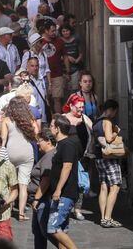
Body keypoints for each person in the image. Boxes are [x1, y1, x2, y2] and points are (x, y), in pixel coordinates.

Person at [0, 96, 36, 221]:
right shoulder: (29, 119)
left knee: (11, 184)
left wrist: (1, 151)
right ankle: (21, 214)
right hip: (26, 151)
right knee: (23, 185)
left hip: (11, 152)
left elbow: (3, 139)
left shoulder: (6, 120)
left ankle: (8, 210)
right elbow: (36, 133)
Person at [47, 114, 79, 249]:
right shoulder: (60, 144)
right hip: (60, 194)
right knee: (62, 229)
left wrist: (58, 189)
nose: (49, 128)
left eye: (51, 126)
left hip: (65, 193)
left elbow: (67, 166)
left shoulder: (67, 144)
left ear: (58, 128)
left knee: (53, 228)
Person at [93, 99, 123, 228]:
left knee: (104, 186)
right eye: (115, 111)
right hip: (109, 157)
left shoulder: (96, 121)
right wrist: (116, 131)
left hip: (98, 157)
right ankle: (108, 218)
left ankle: (103, 217)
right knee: (115, 187)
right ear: (111, 110)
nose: (115, 114)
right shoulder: (107, 121)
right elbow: (109, 138)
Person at [62, 93, 93, 220]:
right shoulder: (63, 119)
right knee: (66, 182)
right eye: (78, 107)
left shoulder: (85, 119)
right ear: (70, 106)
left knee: (81, 184)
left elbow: (93, 130)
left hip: (82, 156)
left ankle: (78, 209)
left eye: (82, 107)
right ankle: (64, 207)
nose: (81, 109)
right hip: (66, 157)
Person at [30, 128, 57, 249]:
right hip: (40, 199)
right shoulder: (46, 155)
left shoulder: (49, 157)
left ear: (48, 142)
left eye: (39, 140)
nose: (37, 143)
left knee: (48, 232)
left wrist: (36, 198)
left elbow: (45, 180)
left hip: (43, 200)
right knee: (38, 232)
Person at [41, 20, 70, 113]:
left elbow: (65, 56)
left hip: (57, 74)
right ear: (46, 31)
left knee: (57, 99)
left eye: (55, 31)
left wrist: (68, 71)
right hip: (43, 76)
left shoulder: (59, 41)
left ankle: (58, 119)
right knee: (46, 99)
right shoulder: (40, 42)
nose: (55, 33)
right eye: (52, 31)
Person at [60, 24, 83, 95]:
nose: (65, 33)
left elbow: (81, 53)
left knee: (75, 90)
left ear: (70, 31)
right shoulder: (59, 41)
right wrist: (67, 58)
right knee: (64, 91)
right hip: (63, 70)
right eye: (63, 31)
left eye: (67, 31)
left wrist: (77, 60)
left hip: (75, 68)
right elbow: (58, 55)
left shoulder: (76, 40)